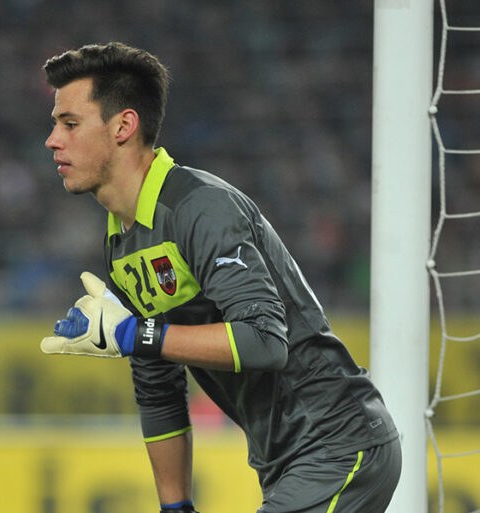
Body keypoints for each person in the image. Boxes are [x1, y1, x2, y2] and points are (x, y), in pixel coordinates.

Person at [39, 42, 401, 513]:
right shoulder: (122, 242)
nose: (52, 140)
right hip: (285, 461)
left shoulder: (200, 208)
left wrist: (132, 334)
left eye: (69, 124)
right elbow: (158, 387)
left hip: (338, 444)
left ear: (123, 126)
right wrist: (176, 507)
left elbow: (264, 341)